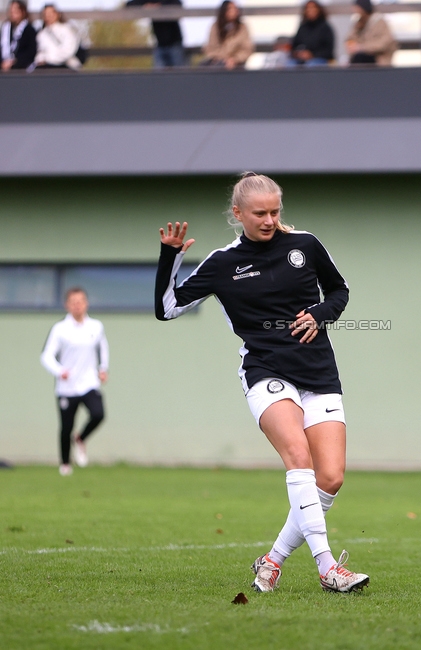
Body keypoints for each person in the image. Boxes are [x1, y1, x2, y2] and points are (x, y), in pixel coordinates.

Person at [154, 172, 369, 594]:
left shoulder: (305, 245)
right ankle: (328, 568)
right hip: (265, 370)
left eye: (275, 211)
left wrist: (321, 314)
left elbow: (340, 291)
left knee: (330, 478)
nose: (270, 220)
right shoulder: (221, 263)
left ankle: (271, 561)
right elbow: (167, 308)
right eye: (260, 213)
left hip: (318, 370)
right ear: (238, 214)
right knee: (298, 456)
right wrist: (170, 257)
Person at [41, 287, 109, 477]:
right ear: (67, 305)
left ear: (86, 303)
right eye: (73, 302)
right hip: (67, 387)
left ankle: (81, 438)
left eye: (81, 301)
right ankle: (65, 464)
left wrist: (103, 368)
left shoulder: (96, 326)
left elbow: (103, 348)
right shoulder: (60, 329)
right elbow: (46, 356)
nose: (77, 305)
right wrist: (59, 371)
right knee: (66, 427)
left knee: (98, 414)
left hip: (89, 383)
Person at [126, 0, 184, 68]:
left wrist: (159, 6)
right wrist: (146, 6)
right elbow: (129, 5)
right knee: (158, 75)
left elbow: (178, 4)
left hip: (175, 44)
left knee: (179, 74)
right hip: (160, 45)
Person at [0, 0, 37, 71]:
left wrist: (14, 61)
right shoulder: (5, 28)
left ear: (23, 12)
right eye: (11, 12)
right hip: (4, 61)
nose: (12, 14)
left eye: (15, 12)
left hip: (21, 62)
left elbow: (31, 51)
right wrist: (4, 61)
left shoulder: (29, 30)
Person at [201, 1, 254, 69]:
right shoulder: (215, 27)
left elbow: (247, 49)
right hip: (217, 62)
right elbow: (211, 47)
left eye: (235, 8)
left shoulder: (242, 28)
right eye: (230, 8)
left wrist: (235, 59)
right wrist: (220, 58)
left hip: (237, 64)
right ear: (224, 11)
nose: (234, 11)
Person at [346, 0, 397, 66]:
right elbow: (350, 38)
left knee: (360, 58)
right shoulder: (359, 23)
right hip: (362, 58)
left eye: (358, 9)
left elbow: (384, 43)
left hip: (378, 60)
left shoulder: (379, 22)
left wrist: (362, 47)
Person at [33, 4, 81, 71]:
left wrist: (50, 58)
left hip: (65, 66)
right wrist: (41, 59)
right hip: (46, 67)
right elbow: (41, 52)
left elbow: (69, 49)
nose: (48, 16)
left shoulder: (67, 29)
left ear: (57, 14)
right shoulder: (41, 34)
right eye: (46, 13)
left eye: (51, 13)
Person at [292, 0, 335, 65]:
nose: (310, 10)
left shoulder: (325, 28)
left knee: (311, 65)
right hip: (301, 59)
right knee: (290, 64)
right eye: (308, 8)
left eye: (313, 7)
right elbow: (294, 45)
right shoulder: (302, 27)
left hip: (320, 58)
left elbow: (328, 50)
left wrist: (312, 55)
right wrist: (299, 53)